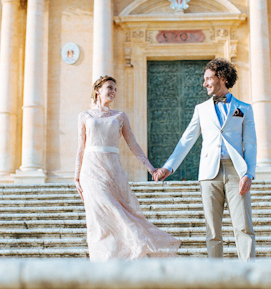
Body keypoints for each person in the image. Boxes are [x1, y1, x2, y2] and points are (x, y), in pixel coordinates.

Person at [153, 58, 256, 261]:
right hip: (209, 174)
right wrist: (169, 167)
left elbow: (251, 144)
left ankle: (248, 273)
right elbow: (187, 140)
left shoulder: (244, 108)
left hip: (237, 172)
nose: (205, 83)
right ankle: (215, 276)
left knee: (243, 226)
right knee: (212, 231)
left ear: (222, 78)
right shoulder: (201, 109)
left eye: (209, 78)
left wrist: (249, 174)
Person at [75, 75, 180, 261]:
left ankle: (128, 253)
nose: (113, 92)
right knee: (99, 218)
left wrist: (151, 169)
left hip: (113, 171)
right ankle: (102, 262)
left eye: (115, 89)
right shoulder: (85, 116)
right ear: (98, 90)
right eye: (109, 87)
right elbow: (81, 147)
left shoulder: (120, 116)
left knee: (119, 213)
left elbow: (133, 145)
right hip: (91, 172)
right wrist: (76, 176)